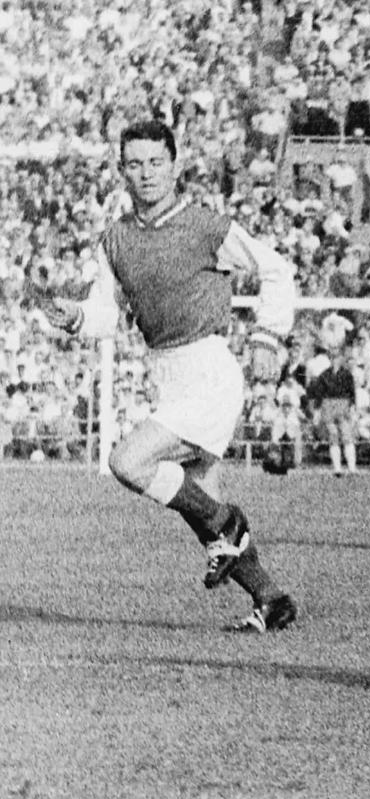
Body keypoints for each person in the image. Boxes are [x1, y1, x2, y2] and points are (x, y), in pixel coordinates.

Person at [40, 120, 300, 633]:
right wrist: (76, 317)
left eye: (156, 162)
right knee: (201, 506)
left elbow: (276, 269)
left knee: (127, 461)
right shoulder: (115, 239)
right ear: (121, 170)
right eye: (135, 164)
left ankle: (229, 524)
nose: (147, 173)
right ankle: (271, 599)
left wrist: (268, 336)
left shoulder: (205, 226)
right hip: (167, 375)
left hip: (209, 370)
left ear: (175, 166)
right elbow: (106, 314)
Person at [308, 347, 359, 476]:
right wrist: (317, 412)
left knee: (347, 436)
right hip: (328, 406)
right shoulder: (324, 375)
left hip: (343, 406)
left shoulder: (347, 375)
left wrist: (353, 409)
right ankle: (337, 469)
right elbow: (319, 395)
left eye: (337, 357)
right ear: (330, 359)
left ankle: (352, 469)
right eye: (332, 357)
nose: (335, 360)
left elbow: (352, 393)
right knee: (333, 436)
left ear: (341, 359)